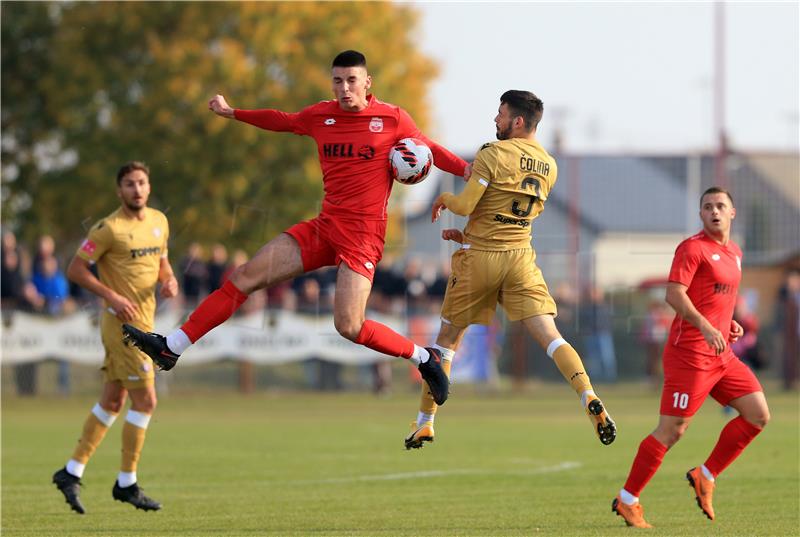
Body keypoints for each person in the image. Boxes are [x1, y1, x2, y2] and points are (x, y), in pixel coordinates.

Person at [122, 50, 468, 407]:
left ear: (367, 82)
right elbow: (281, 120)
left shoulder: (393, 118)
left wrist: (467, 172)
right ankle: (171, 347)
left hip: (363, 238)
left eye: (352, 80)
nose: (344, 88)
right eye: (337, 81)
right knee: (244, 276)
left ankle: (425, 359)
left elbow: (431, 149)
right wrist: (233, 112)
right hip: (324, 227)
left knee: (349, 325)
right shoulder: (321, 115)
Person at [403, 90, 615, 450]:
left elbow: (468, 203)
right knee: (552, 336)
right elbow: (510, 213)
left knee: (446, 344)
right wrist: (469, 233)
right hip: (519, 258)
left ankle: (426, 422)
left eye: (501, 114)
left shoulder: (492, 152)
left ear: (518, 121)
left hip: (480, 259)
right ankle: (588, 395)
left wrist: (444, 199)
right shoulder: (550, 164)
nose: (496, 120)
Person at [612, 187, 770, 528]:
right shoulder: (692, 248)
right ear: (701, 214)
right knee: (673, 430)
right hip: (691, 354)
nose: (714, 211)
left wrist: (728, 325)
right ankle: (628, 499)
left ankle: (706, 475)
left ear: (732, 212)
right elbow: (674, 293)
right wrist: (705, 326)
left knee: (757, 415)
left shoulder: (735, 252)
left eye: (720, 206)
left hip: (721, 353)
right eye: (708, 206)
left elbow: (716, 297)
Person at [52, 161, 179, 514]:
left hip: (147, 321)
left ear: (149, 187)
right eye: (128, 184)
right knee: (147, 401)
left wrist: (169, 279)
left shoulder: (159, 222)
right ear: (118, 190)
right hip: (124, 328)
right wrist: (111, 295)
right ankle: (127, 482)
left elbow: (163, 262)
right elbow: (75, 270)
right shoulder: (107, 229)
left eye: (141, 183)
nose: (136, 189)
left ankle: (71, 471)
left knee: (112, 400)